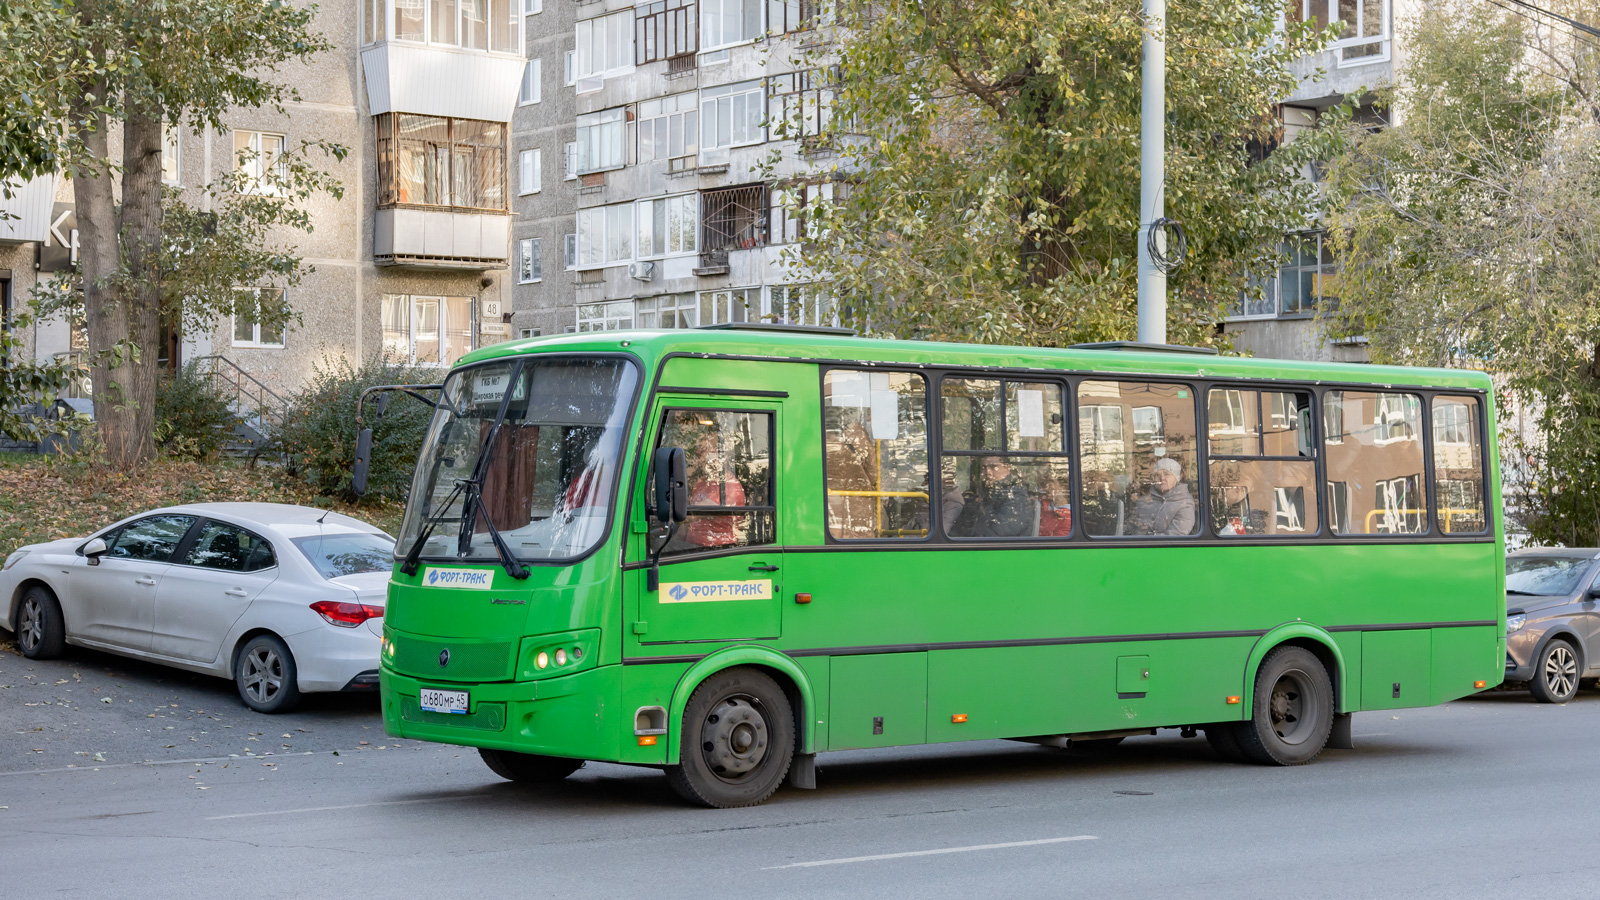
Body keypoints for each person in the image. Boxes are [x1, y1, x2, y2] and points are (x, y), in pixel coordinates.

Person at [955, 455, 1033, 538]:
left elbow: (997, 533)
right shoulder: (986, 494)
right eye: (984, 467)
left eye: (993, 467)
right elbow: (961, 527)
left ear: (1007, 468)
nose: (987, 472)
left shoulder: (1015, 496)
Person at [1130, 456, 1196, 536]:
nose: (1162, 478)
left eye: (1166, 474)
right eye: (1157, 475)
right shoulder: (1145, 501)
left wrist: (1148, 538)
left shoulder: (1184, 503)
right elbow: (1131, 528)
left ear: (1176, 478)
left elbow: (1176, 535)